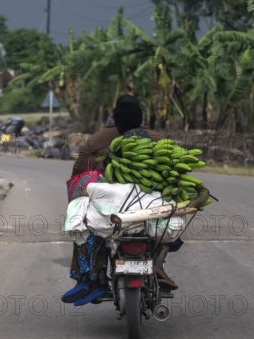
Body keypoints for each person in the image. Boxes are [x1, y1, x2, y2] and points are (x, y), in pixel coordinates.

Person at [63, 95, 179, 306]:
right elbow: (176, 176)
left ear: (115, 118)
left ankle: (94, 277)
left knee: (86, 228)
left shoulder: (96, 142)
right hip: (149, 209)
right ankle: (159, 263)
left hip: (112, 213)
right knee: (173, 224)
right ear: (141, 118)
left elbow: (78, 175)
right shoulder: (159, 140)